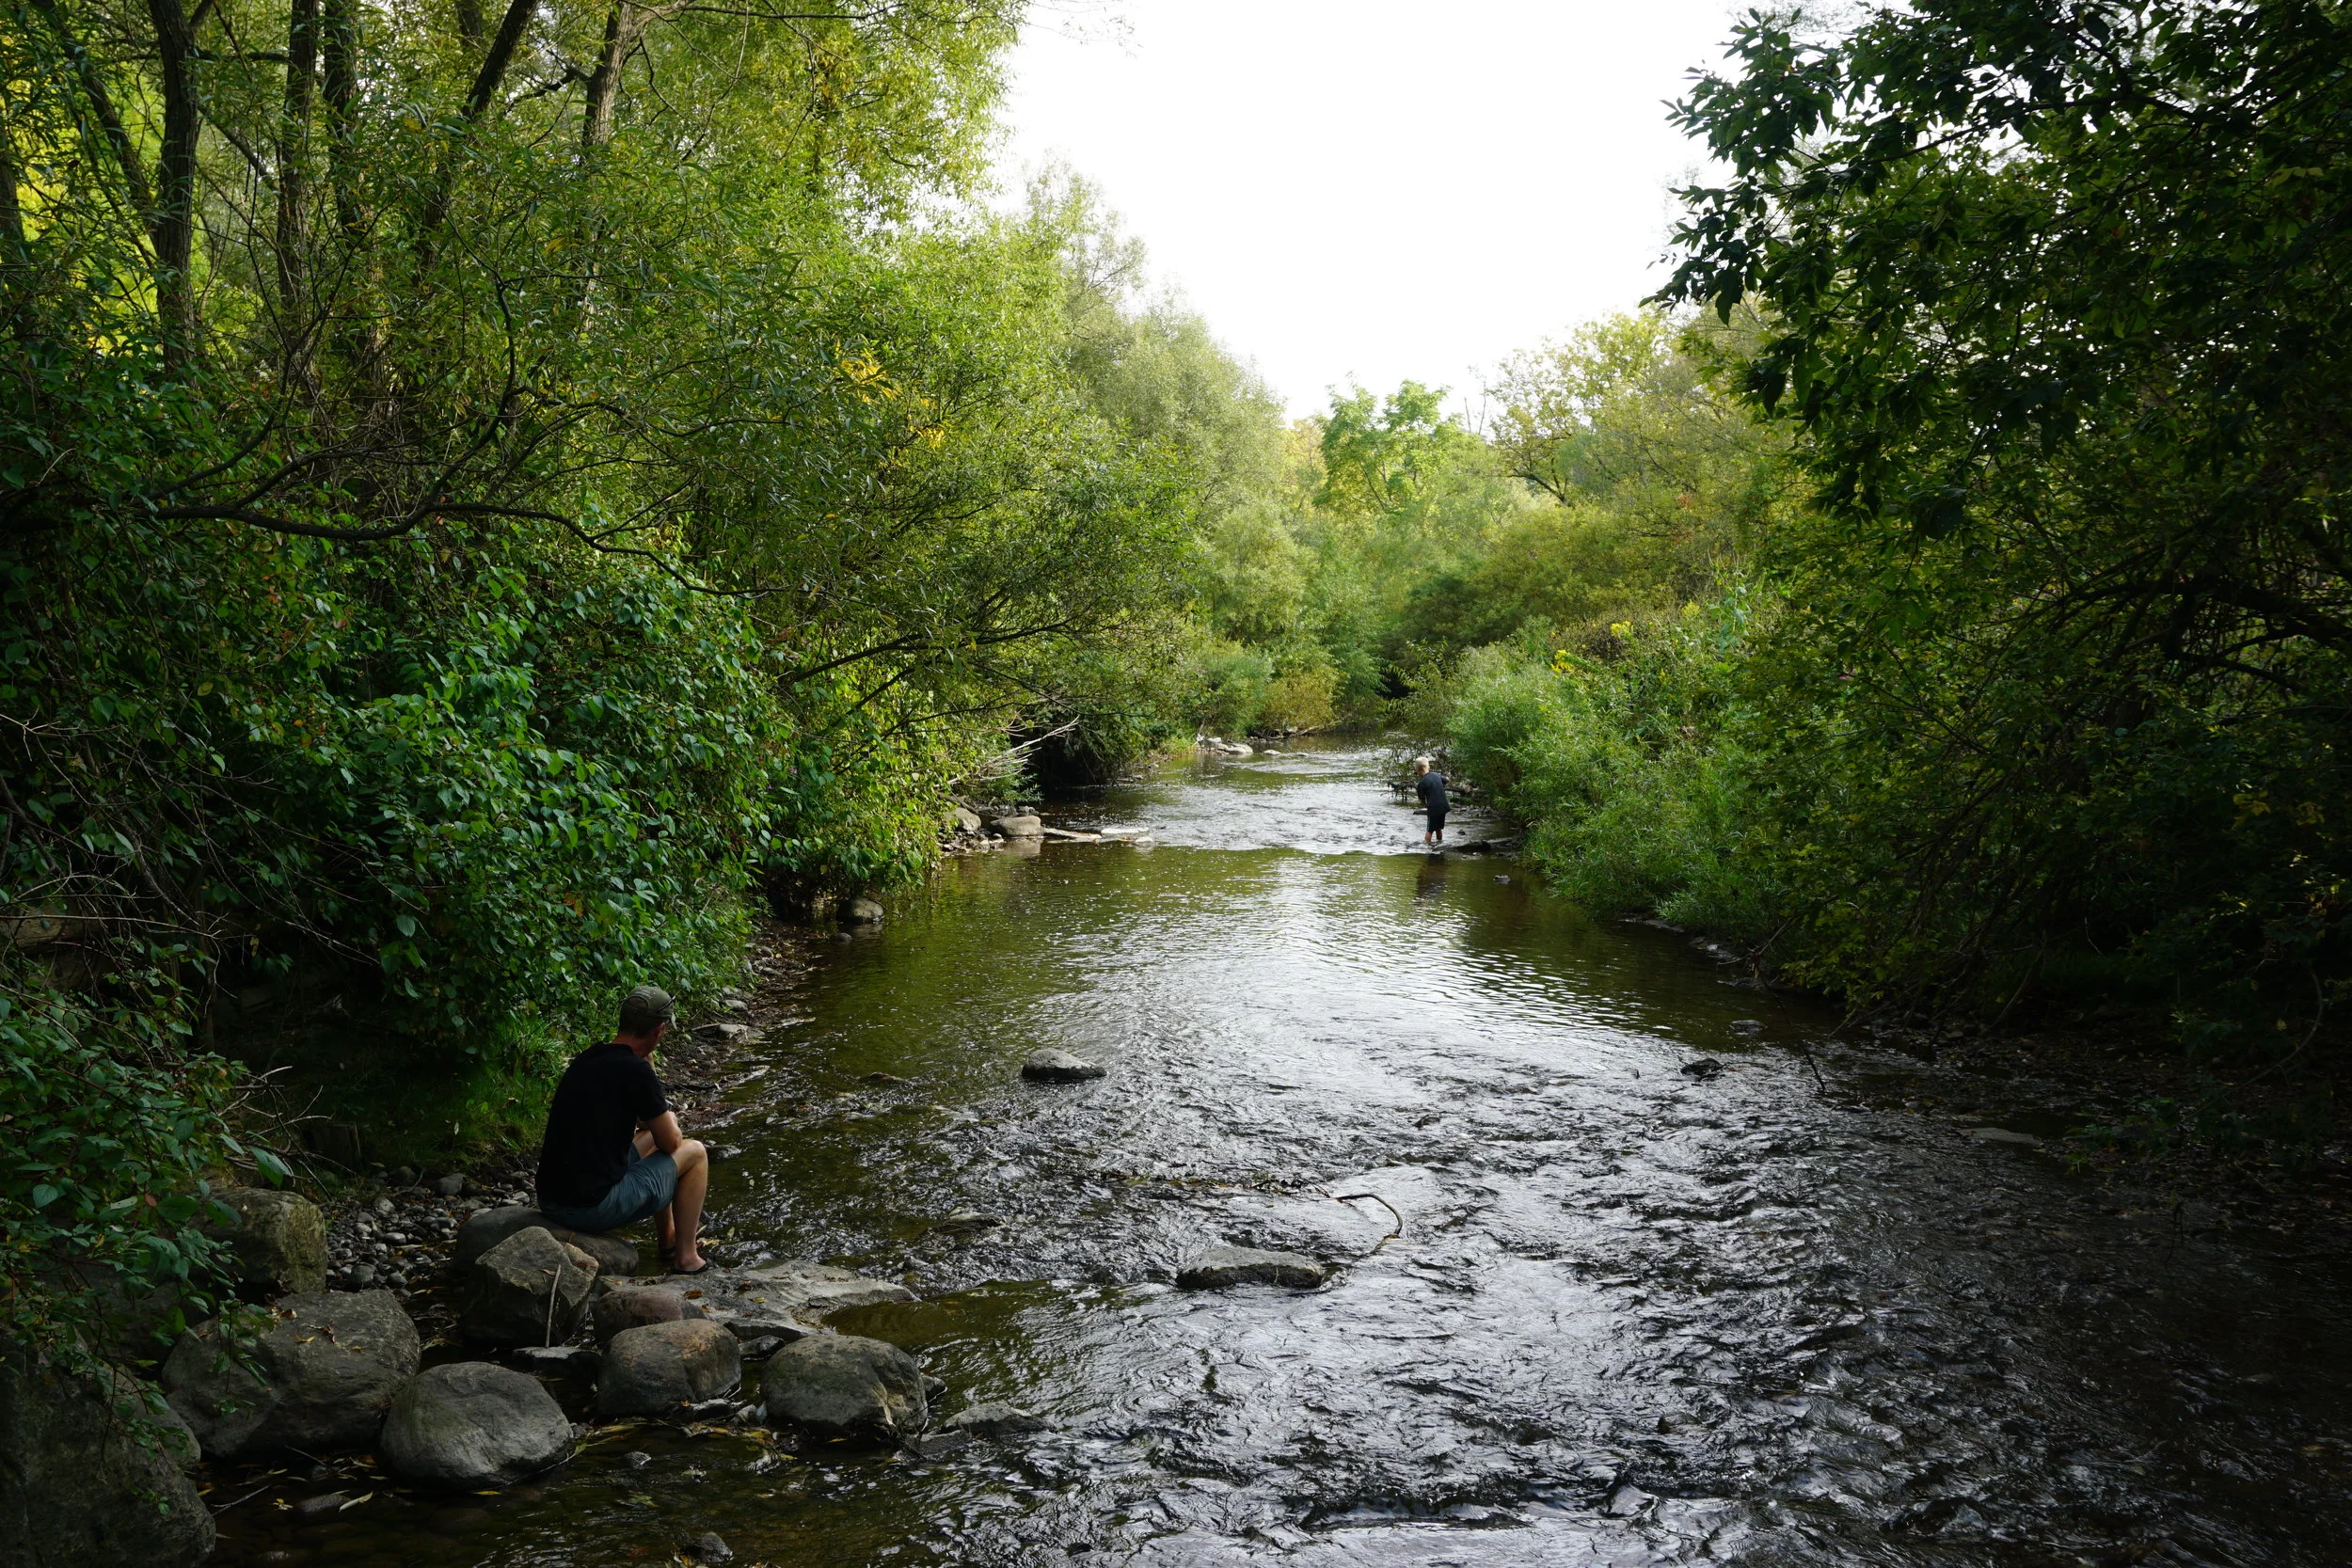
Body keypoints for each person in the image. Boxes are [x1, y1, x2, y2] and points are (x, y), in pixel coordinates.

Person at [534, 985, 712, 1274]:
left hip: (552, 1197)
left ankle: (668, 1239)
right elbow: (671, 1143)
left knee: (646, 1138)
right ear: (659, 1030)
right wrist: (669, 1116)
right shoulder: (636, 1072)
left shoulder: (590, 1057)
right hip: (588, 1208)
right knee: (695, 1153)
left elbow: (645, 1126)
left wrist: (650, 1080)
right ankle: (687, 1259)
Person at [1414, 756, 1449, 847]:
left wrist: (1425, 805)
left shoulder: (1421, 783)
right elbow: (1446, 780)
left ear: (1418, 770)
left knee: (1429, 830)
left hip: (1433, 808)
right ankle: (1439, 843)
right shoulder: (1436, 775)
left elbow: (1422, 799)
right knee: (1438, 828)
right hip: (1443, 806)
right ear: (1428, 767)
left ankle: (1427, 846)